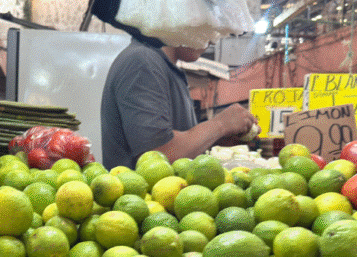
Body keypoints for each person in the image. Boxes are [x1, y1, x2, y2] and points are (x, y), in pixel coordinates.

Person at [101, 38, 258, 170]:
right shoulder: (142, 61)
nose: (212, 40)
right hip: (146, 205)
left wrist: (217, 138)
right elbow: (158, 157)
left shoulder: (164, 66)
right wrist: (221, 124)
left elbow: (177, 144)